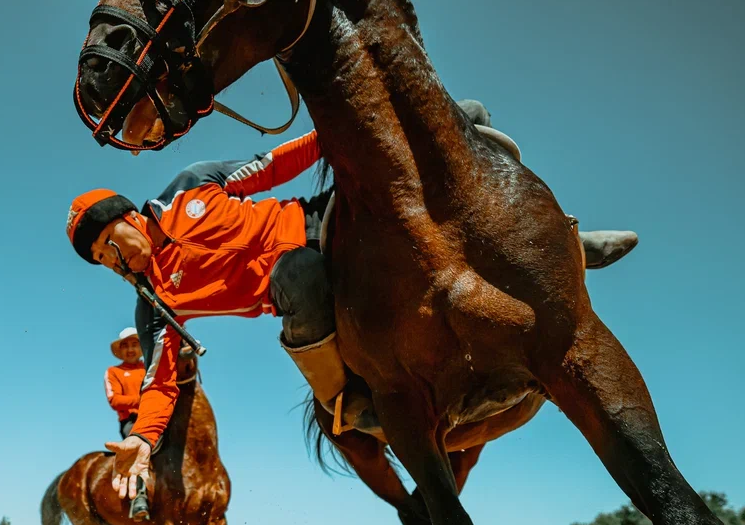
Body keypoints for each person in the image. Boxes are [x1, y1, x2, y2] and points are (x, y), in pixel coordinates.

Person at [66, 119, 639, 498]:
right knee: (295, 269)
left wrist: (342, 130)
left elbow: (271, 165)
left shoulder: (189, 188)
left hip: (322, 219)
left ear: (126, 216)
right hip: (303, 290)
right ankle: (347, 401)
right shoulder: (155, 303)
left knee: (459, 119)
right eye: (101, 262)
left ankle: (560, 245)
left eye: (108, 246)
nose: (112, 262)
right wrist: (143, 440)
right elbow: (161, 381)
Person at [104, 327, 151, 520]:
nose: (130, 349)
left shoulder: (150, 368)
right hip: (132, 422)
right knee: (136, 447)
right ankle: (140, 497)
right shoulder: (114, 372)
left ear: (141, 348)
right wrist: (143, 400)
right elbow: (114, 400)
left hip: (157, 417)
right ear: (120, 351)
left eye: (134, 344)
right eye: (125, 346)